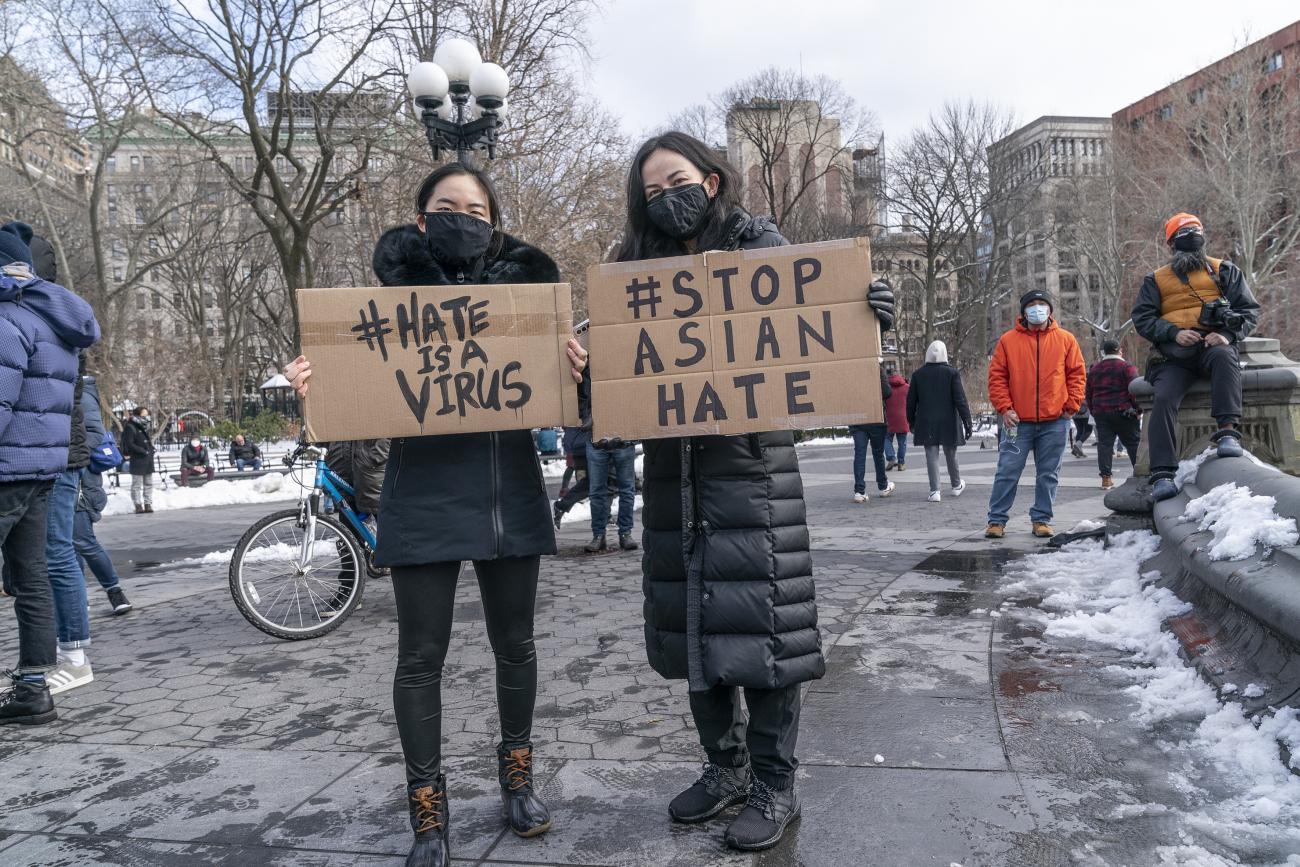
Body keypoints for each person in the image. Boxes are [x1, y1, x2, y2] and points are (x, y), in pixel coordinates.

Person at [284, 162, 587, 867]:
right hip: (420, 496)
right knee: (419, 658)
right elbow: (352, 396)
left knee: (516, 645)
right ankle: (427, 808)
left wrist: (575, 370)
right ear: (421, 219)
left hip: (505, 490)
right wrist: (314, 383)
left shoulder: (526, 301)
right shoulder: (383, 308)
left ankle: (518, 777)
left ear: (494, 221)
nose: (463, 216)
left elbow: (576, 403)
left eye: (476, 207)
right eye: (447, 206)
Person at [613, 131, 894, 852]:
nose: (665, 198)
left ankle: (775, 780)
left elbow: (816, 320)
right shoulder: (630, 271)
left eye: (675, 179)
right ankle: (725, 766)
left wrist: (862, 306)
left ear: (710, 180)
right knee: (695, 632)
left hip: (751, 474)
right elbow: (613, 383)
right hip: (674, 480)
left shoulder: (758, 242)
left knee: (762, 635)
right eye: (650, 191)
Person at [0, 220, 100, 725]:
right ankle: (33, 686)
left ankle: (33, 687)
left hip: (5, 469)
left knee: (35, 574)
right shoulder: (50, 320)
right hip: (41, 469)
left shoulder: (5, 321)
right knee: (32, 576)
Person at [1132, 213, 1259, 502]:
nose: (1192, 236)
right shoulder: (1155, 279)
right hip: (1174, 355)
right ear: (1172, 244)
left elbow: (1249, 312)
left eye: (1196, 231)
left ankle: (1227, 432)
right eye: (1184, 232)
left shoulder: (1224, 270)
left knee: (1225, 357)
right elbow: (1143, 318)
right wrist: (1173, 333)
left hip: (1212, 346)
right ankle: (1162, 473)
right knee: (1163, 398)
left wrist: (1226, 334)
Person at [985, 290, 1086, 539]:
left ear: (1050, 310)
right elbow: (997, 377)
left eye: (1042, 304)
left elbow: (1077, 375)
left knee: (1049, 474)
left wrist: (1071, 405)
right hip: (1016, 422)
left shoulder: (1066, 340)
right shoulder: (1008, 341)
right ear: (1023, 312)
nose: (1038, 309)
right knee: (1007, 471)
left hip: (1055, 421)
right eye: (1032, 305)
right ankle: (996, 520)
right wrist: (1005, 407)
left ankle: (1041, 519)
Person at [74, 372, 132, 614]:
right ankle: (76, 598)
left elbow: (95, 436)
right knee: (67, 545)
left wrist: (58, 447)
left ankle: (114, 591)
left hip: (79, 480)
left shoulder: (82, 392)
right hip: (62, 475)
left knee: (82, 540)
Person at [907, 341, 971, 503]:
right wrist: (967, 421)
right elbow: (960, 400)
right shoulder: (952, 373)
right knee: (951, 453)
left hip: (927, 421)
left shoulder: (918, 375)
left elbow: (911, 402)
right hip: (949, 420)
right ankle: (956, 485)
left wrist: (911, 421)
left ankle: (935, 490)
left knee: (931, 455)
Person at [1086, 339, 1142, 491]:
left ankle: (1106, 479)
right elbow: (1135, 390)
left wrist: (1094, 410)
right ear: (1120, 351)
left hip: (1102, 412)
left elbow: (1089, 393)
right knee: (1133, 443)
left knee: (1105, 445)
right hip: (1124, 411)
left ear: (1104, 351)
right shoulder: (1127, 367)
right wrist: (1138, 410)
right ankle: (1139, 475)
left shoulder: (1095, 369)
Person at [849, 367, 896, 503]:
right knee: (878, 453)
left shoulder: (850, 368)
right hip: (875, 417)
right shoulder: (875, 367)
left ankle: (859, 491)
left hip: (857, 418)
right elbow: (887, 392)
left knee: (859, 454)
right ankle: (882, 486)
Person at [584, 436, 638, 552]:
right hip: (597, 440)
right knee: (597, 491)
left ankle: (625, 533)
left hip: (623, 439)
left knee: (626, 490)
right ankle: (600, 535)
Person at [119, 407, 156, 513]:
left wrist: (151, 449)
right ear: (138, 415)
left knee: (148, 483)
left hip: (147, 459)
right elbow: (129, 444)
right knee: (137, 484)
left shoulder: (144, 426)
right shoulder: (131, 426)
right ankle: (138, 504)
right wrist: (143, 450)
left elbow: (146, 441)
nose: (147, 417)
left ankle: (148, 504)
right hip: (138, 459)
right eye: (144, 415)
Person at [883, 370, 909, 471]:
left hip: (889, 417)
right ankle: (901, 463)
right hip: (903, 417)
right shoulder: (907, 387)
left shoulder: (885, 387)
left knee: (886, 438)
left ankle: (891, 458)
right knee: (902, 442)